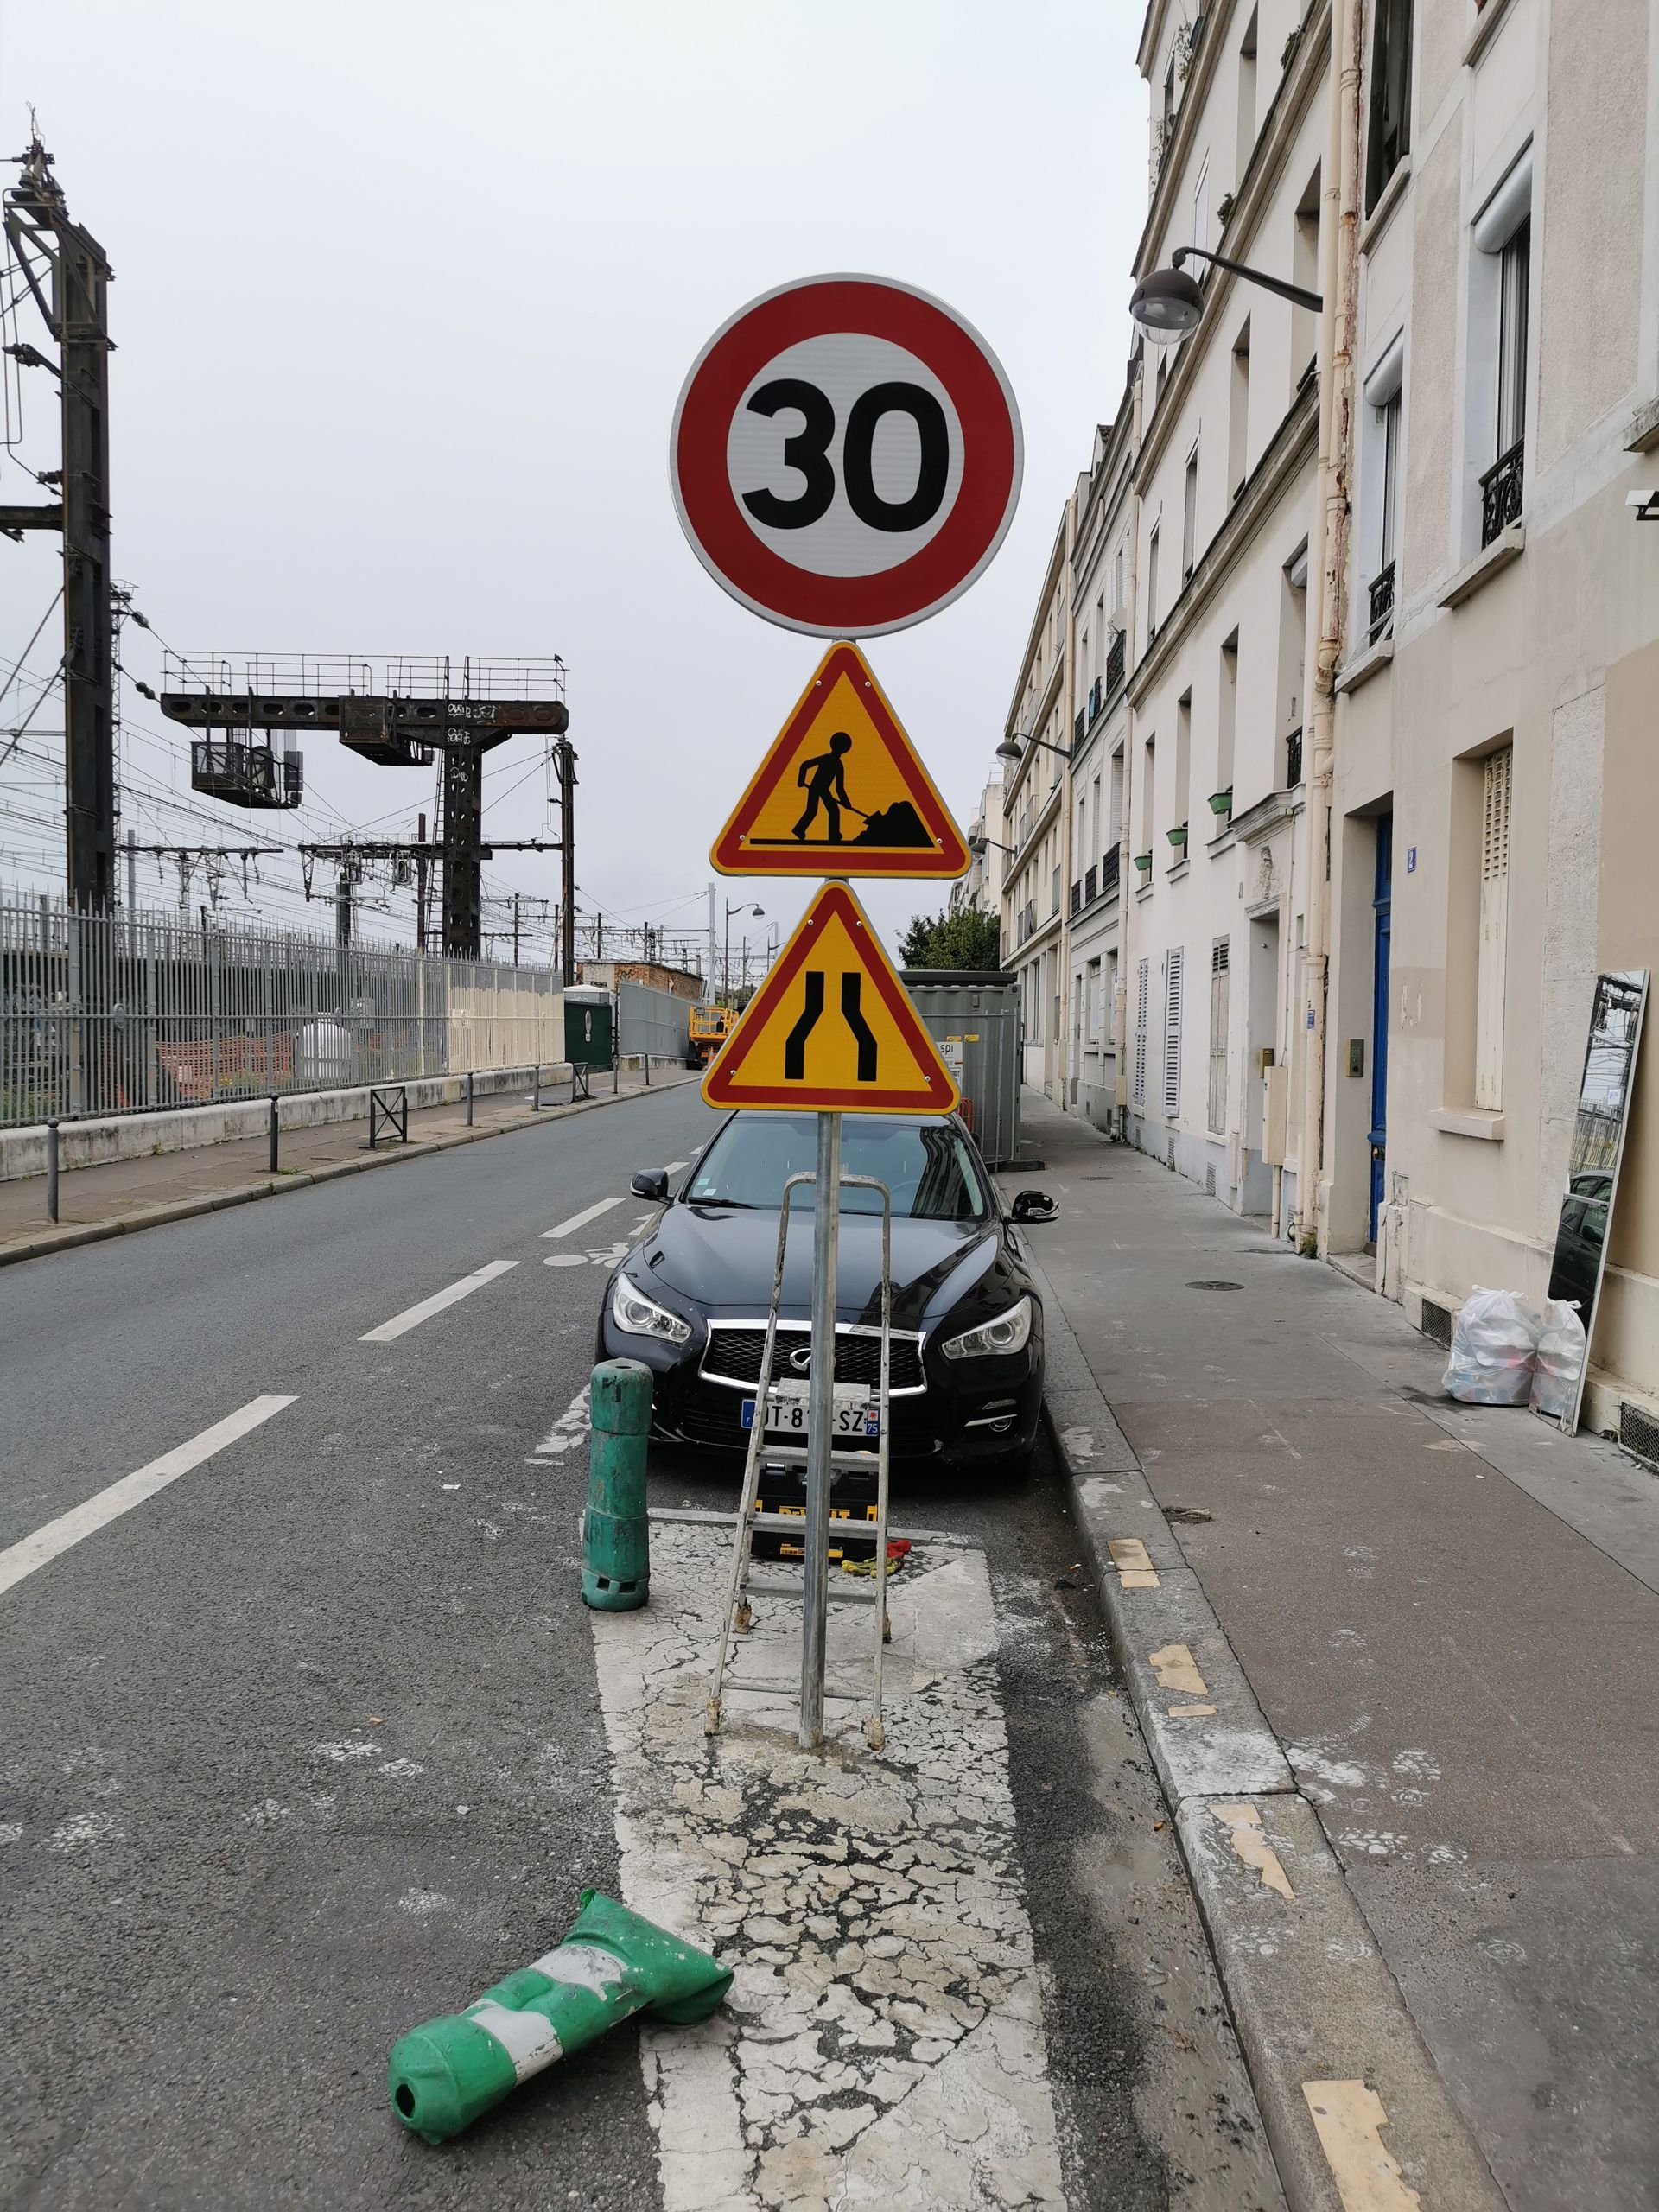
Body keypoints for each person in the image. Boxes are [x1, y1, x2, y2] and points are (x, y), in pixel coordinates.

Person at [792, 731, 864, 844]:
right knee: (813, 811)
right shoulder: (832, 761)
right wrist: (800, 780)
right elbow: (805, 765)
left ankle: (833, 835)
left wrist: (846, 802)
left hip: (823, 790)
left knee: (832, 811)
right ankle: (800, 830)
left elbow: (839, 788)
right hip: (815, 788)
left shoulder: (836, 764)